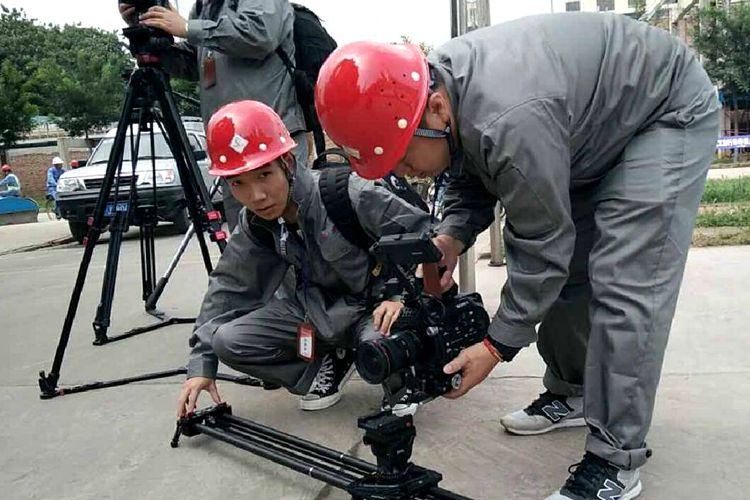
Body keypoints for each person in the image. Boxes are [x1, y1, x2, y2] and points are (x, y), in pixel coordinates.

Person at [314, 13, 720, 500]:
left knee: (624, 285)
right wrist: (450, 240)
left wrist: (496, 345)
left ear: (436, 110)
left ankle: (616, 460)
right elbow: (469, 168)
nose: (404, 170)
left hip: (662, 112)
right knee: (572, 275)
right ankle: (572, 393)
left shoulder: (506, 116)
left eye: (402, 157)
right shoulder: (438, 93)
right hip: (593, 127)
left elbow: (542, 242)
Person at [177, 100, 433, 418]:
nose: (256, 195)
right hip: (315, 313)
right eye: (238, 183)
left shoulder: (347, 193)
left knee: (381, 348)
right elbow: (227, 289)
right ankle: (324, 368)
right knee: (227, 340)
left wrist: (400, 296)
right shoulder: (255, 223)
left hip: (375, 308)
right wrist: (202, 364)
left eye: (264, 175)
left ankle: (403, 380)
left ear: (286, 161)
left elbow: (426, 234)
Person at [120, 0, 307, 231]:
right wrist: (153, 32)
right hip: (230, 148)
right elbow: (193, 65)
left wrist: (188, 28)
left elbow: (260, 35)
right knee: (247, 234)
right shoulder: (203, 8)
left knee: (295, 227)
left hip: (271, 144)